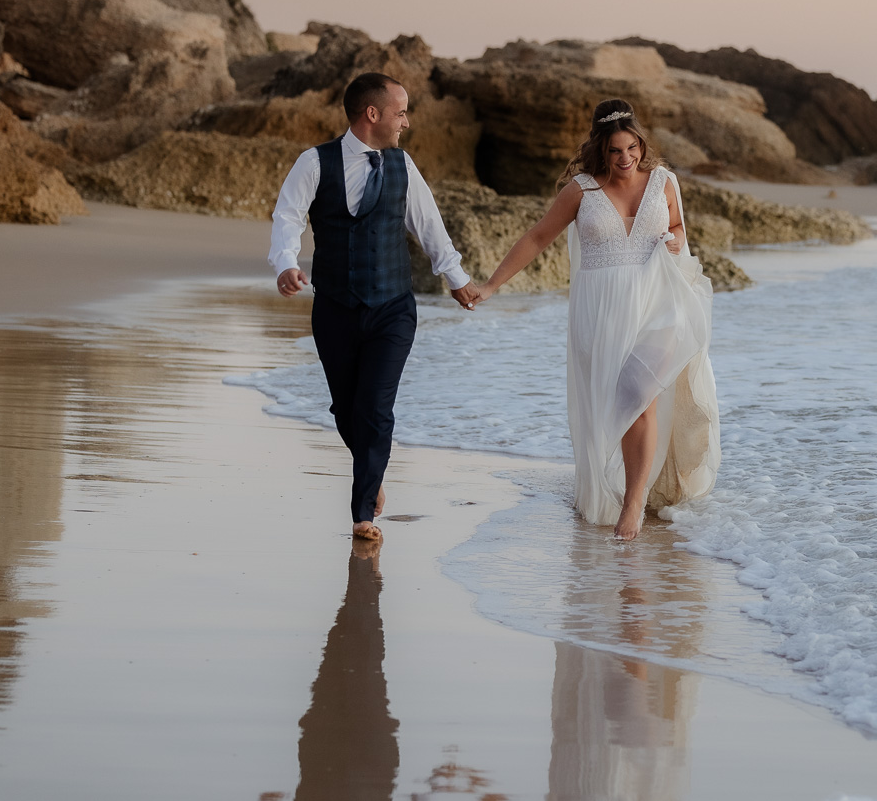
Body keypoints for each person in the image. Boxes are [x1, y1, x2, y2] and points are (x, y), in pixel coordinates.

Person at [475, 99, 719, 539]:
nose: (626, 159)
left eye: (632, 148)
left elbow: (679, 228)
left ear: (641, 144)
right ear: (600, 150)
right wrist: (491, 285)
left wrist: (674, 241)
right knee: (614, 405)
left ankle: (633, 503)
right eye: (615, 151)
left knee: (639, 395)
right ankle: (621, 488)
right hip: (602, 311)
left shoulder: (664, 182)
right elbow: (537, 237)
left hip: (660, 304)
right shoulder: (581, 191)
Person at [268, 72, 480, 541]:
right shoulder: (315, 162)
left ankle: (362, 512)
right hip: (334, 308)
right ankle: (373, 468)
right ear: (372, 114)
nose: (406, 122)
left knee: (376, 407)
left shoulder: (404, 166)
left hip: (393, 309)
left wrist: (456, 278)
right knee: (346, 409)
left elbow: (429, 225)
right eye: (400, 112)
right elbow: (287, 217)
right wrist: (286, 264)